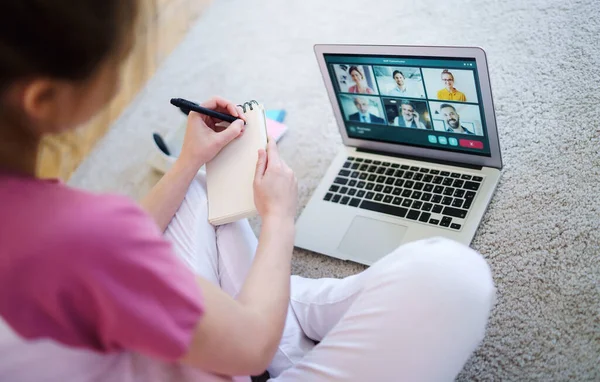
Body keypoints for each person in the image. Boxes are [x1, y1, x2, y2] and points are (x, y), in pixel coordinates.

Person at [0, 1, 496, 381]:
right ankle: (289, 318)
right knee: (454, 276)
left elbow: (109, 249)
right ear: (43, 99)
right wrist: (280, 217)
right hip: (231, 349)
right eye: (119, 57)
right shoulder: (81, 239)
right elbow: (250, 346)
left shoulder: (42, 218)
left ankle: (286, 309)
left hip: (146, 342)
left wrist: (191, 158)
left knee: (196, 186)